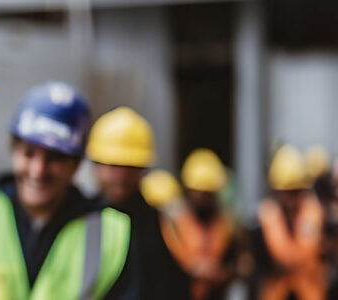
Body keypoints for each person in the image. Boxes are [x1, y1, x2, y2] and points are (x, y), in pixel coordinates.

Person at [0, 82, 132, 299]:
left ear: (76, 165)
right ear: (13, 150)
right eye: (29, 153)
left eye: (54, 158)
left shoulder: (113, 234)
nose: (38, 170)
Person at [87, 106, 189, 299]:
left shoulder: (155, 222)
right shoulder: (81, 220)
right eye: (113, 165)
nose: (121, 176)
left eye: (130, 166)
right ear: (96, 164)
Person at [161, 148, 238, 300]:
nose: (202, 198)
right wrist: (194, 269)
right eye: (198, 192)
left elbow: (237, 265)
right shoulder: (174, 221)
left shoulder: (228, 225)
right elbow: (166, 266)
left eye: (208, 193)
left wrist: (219, 274)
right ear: (188, 190)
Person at [251, 145, 325, 300]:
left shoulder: (319, 216)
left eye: (296, 192)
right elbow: (257, 268)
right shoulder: (261, 222)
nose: (291, 201)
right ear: (276, 193)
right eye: (286, 193)